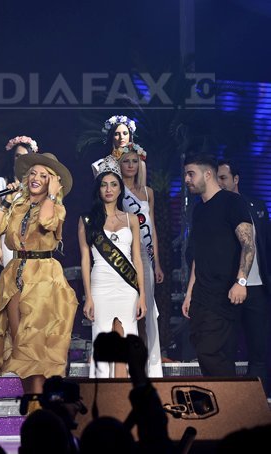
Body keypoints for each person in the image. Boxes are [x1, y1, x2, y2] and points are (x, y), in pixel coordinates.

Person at [0, 152, 79, 399]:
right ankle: (32, 407)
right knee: (21, 348)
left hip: (43, 277)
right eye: (32, 173)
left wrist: (51, 195)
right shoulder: (17, 205)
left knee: (35, 349)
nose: (35, 178)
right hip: (15, 275)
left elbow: (45, 221)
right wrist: (7, 202)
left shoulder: (56, 206)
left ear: (53, 181)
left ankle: (38, 409)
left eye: (43, 175)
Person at [182, 154, 254, 376]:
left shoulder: (233, 202)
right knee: (204, 351)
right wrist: (189, 293)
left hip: (224, 294)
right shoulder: (198, 210)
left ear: (207, 174)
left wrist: (241, 281)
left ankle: (228, 397)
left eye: (191, 174)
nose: (186, 179)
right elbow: (198, 255)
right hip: (201, 295)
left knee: (212, 353)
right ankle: (220, 396)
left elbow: (248, 244)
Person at [103, 114, 164, 377]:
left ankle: (151, 367)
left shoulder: (148, 192)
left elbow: (153, 228)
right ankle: (123, 367)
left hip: (146, 259)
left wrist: (157, 263)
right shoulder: (113, 192)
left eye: (134, 161)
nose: (130, 165)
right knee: (126, 312)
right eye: (125, 161)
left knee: (147, 313)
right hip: (123, 257)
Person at [78, 155, 146, 378]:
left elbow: (137, 259)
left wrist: (142, 296)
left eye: (114, 184)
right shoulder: (87, 220)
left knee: (128, 340)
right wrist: (88, 296)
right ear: (98, 189)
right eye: (104, 185)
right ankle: (102, 393)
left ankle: (126, 393)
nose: (108, 189)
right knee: (102, 341)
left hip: (127, 287)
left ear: (120, 189)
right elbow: (85, 260)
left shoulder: (131, 219)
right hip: (100, 286)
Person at [217, 159, 270, 393]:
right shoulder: (212, 208)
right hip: (226, 289)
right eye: (217, 178)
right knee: (225, 349)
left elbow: (265, 243)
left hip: (257, 288)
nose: (220, 183)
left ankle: (257, 399)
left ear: (236, 179)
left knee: (258, 348)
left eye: (223, 178)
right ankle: (228, 399)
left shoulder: (256, 206)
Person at [0, 135, 38, 268]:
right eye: (18, 156)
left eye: (25, 156)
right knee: (11, 276)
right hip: (8, 239)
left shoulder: (36, 184)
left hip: (30, 239)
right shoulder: (1, 183)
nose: (21, 159)